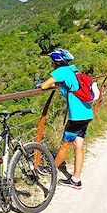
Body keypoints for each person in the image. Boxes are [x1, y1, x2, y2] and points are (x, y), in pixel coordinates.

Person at [36, 48, 93, 190]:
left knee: (64, 144)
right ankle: (76, 180)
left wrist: (39, 84)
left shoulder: (61, 71)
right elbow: (66, 86)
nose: (51, 64)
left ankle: (51, 169)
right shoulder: (74, 70)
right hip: (87, 114)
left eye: (52, 61)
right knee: (78, 145)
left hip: (77, 118)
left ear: (56, 62)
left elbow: (45, 85)